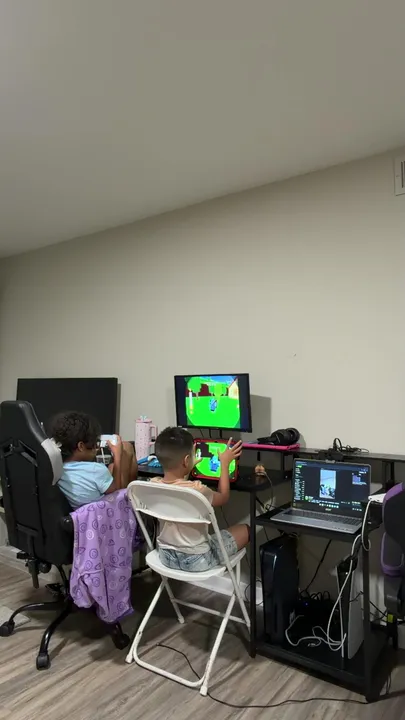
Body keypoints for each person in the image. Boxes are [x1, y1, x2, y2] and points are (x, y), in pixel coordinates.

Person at [152, 426, 249, 572]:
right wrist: (224, 464)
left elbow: (177, 484)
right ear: (186, 461)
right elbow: (223, 496)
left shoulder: (153, 484)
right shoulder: (198, 490)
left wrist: (187, 468)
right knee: (246, 530)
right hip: (197, 561)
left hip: (166, 557)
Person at [49, 410, 138, 509]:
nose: (97, 448)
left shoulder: (57, 469)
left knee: (111, 467)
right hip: (108, 512)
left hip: (80, 514)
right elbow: (116, 493)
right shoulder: (95, 470)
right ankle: (134, 503)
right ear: (81, 446)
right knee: (127, 447)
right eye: (94, 443)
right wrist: (118, 456)